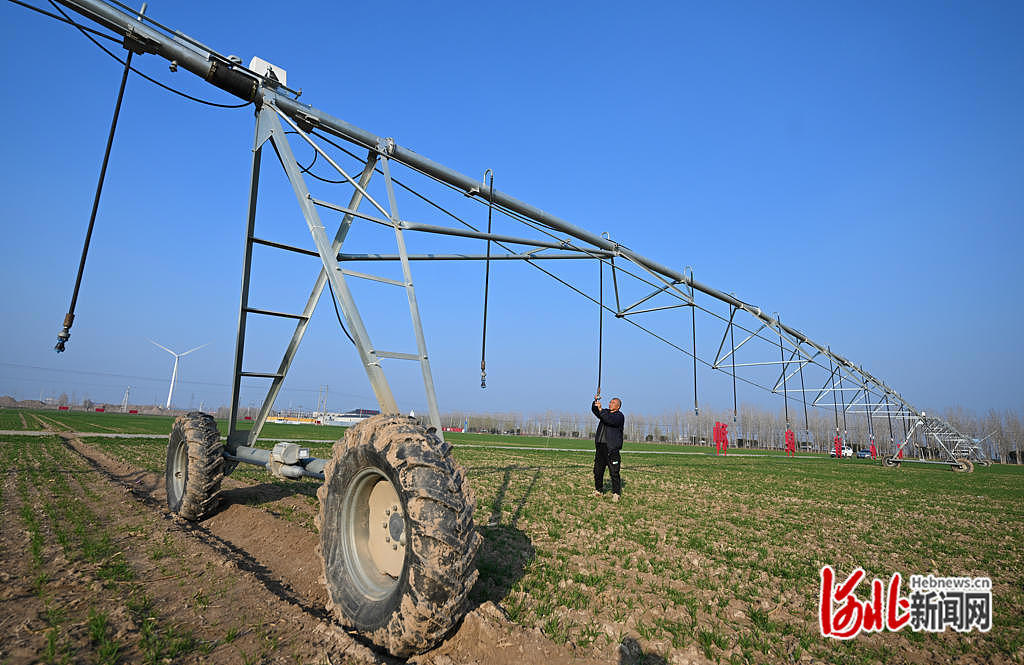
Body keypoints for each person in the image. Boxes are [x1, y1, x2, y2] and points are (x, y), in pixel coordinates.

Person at [591, 395, 625, 501]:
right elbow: (596, 411)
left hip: (611, 449)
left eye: (613, 403)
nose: (610, 404)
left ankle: (616, 493)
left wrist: (601, 410)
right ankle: (599, 491)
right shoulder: (605, 413)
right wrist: (595, 401)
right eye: (610, 402)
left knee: (614, 472)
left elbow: (609, 420)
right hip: (600, 447)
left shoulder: (619, 416)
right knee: (598, 471)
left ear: (618, 406)